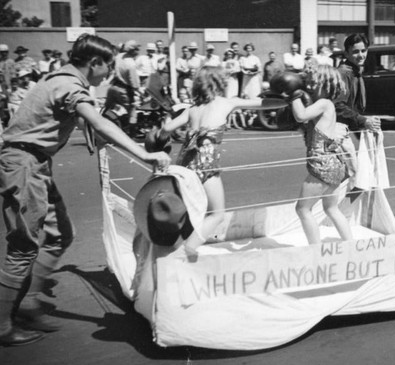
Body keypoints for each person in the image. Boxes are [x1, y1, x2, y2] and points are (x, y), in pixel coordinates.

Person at [0, 34, 170, 346]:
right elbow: (98, 123)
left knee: (58, 236)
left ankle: (29, 303)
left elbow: (87, 125)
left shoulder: (60, 80)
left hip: (35, 164)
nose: (109, 73)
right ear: (93, 63)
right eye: (107, 66)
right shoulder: (68, 84)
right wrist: (144, 154)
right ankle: (2, 325)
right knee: (23, 247)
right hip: (23, 164)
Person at [157, 66, 273, 257]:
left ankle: (177, 246)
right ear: (220, 83)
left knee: (190, 210)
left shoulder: (192, 109)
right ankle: (189, 249)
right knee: (217, 214)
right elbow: (262, 104)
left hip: (185, 165)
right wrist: (287, 102)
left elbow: (166, 129)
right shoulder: (227, 103)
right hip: (206, 164)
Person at [284, 65, 353, 243]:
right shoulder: (325, 105)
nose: (309, 86)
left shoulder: (324, 104)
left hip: (323, 165)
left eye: (313, 83)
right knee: (331, 208)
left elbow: (301, 115)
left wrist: (293, 94)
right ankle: (351, 244)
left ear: (324, 84)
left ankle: (315, 251)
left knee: (302, 209)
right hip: (334, 163)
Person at [335, 33, 381, 134]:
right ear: (346, 53)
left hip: (349, 127)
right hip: (339, 130)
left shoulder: (355, 71)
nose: (361, 55)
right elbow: (337, 105)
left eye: (363, 51)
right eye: (355, 52)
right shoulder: (343, 73)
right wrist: (362, 120)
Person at [103, 39, 142, 133]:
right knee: (132, 113)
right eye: (137, 49)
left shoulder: (118, 57)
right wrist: (142, 93)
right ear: (134, 51)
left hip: (113, 88)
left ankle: (102, 126)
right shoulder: (131, 64)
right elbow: (135, 84)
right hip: (124, 90)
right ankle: (132, 135)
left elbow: (112, 70)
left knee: (107, 109)